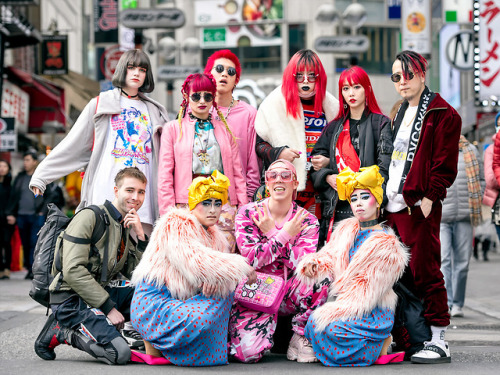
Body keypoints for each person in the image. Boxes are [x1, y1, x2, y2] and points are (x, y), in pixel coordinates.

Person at [29, 49, 168, 234]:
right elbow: (74, 143)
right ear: (122, 70)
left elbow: (168, 157)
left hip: (142, 196)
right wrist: (42, 176)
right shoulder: (101, 104)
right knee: (103, 254)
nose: (136, 73)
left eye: (142, 69)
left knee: (139, 256)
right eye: (131, 67)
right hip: (107, 191)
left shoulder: (154, 112)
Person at [383, 50, 461, 364]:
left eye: (407, 75)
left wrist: (430, 197)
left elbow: (444, 163)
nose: (402, 82)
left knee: (427, 270)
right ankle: (415, 337)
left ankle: (439, 338)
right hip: (394, 204)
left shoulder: (442, 112)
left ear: (422, 74)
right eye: (396, 77)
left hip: (418, 205)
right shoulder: (400, 110)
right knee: (401, 274)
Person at [130, 171, 255, 366]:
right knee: (203, 319)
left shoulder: (217, 237)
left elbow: (209, 270)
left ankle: (171, 347)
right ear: (193, 204)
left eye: (217, 203)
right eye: (206, 203)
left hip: (185, 300)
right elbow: (195, 261)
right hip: (156, 301)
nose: (213, 210)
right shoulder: (176, 223)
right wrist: (241, 266)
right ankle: (157, 340)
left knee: (225, 294)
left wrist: (216, 282)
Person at [33, 167, 149, 365]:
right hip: (70, 299)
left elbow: (135, 273)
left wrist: (141, 238)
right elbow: (72, 270)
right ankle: (62, 331)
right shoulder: (90, 217)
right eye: (130, 190)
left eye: (141, 192)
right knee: (119, 353)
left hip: (95, 294)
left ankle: (127, 331)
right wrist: (109, 308)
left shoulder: (123, 223)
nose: (136, 197)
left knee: (147, 293)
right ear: (116, 191)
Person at [297, 165, 408, 367]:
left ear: (377, 201)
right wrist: (314, 263)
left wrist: (335, 311)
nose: (358, 204)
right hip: (345, 304)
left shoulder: (387, 245)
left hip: (372, 310)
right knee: (314, 324)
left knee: (330, 328)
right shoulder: (346, 229)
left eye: (365, 197)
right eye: (354, 199)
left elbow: (366, 292)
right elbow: (330, 255)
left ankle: (379, 343)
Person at [229, 159, 330, 363]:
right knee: (247, 355)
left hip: (289, 291)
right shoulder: (248, 213)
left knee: (320, 274)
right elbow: (252, 258)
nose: (278, 180)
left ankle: (301, 335)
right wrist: (284, 235)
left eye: (285, 175)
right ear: (266, 181)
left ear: (295, 183)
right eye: (273, 175)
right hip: (255, 289)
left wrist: (273, 233)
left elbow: (303, 263)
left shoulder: (306, 220)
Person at [158, 73, 248, 251]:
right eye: (196, 95)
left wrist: (242, 210)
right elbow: (165, 176)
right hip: (187, 204)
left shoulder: (225, 129)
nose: (202, 100)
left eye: (207, 95)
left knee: (224, 261)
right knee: (192, 261)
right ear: (186, 96)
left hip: (223, 203)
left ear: (213, 97)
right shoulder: (173, 129)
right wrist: (168, 215)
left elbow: (238, 174)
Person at [310, 66, 393, 245]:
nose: (351, 93)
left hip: (370, 211)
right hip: (338, 210)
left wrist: (330, 162)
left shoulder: (381, 124)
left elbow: (385, 169)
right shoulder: (333, 128)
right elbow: (314, 169)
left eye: (357, 87)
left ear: (367, 89)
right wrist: (329, 176)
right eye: (346, 88)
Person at [254, 49, 339, 216]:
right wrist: (279, 153)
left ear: (319, 77)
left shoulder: (332, 107)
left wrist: (329, 161)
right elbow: (259, 144)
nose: (305, 81)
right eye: (299, 75)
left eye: (312, 75)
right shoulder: (274, 104)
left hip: (322, 188)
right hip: (285, 189)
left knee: (316, 239)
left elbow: (344, 150)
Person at [204, 49, 260, 200]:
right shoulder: (195, 111)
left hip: (237, 198)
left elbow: (253, 164)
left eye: (231, 71)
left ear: (236, 80)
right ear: (209, 74)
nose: (225, 74)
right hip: (201, 197)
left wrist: (248, 200)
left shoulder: (249, 114)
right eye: (219, 69)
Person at [440, 135, 484, 318]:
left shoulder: (471, 151)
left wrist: (477, 196)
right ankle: (447, 302)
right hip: (441, 216)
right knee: (444, 261)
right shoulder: (437, 149)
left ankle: (458, 303)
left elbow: (481, 180)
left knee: (463, 263)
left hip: (466, 215)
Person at [6, 151, 64, 279]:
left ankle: (34, 269)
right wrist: (11, 213)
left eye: (27, 160)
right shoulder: (20, 178)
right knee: (25, 242)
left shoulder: (41, 177)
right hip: (21, 215)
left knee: (35, 242)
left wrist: (42, 210)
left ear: (34, 162)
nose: (25, 163)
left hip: (36, 215)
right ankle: (28, 267)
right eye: (24, 160)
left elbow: (50, 196)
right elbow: (13, 197)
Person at [0, 159, 14, 279]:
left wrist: (12, 214)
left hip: (7, 218)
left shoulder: (11, 184)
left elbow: (13, 201)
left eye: (4, 166)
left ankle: (7, 268)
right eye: (0, 166)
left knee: (6, 242)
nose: (2, 168)